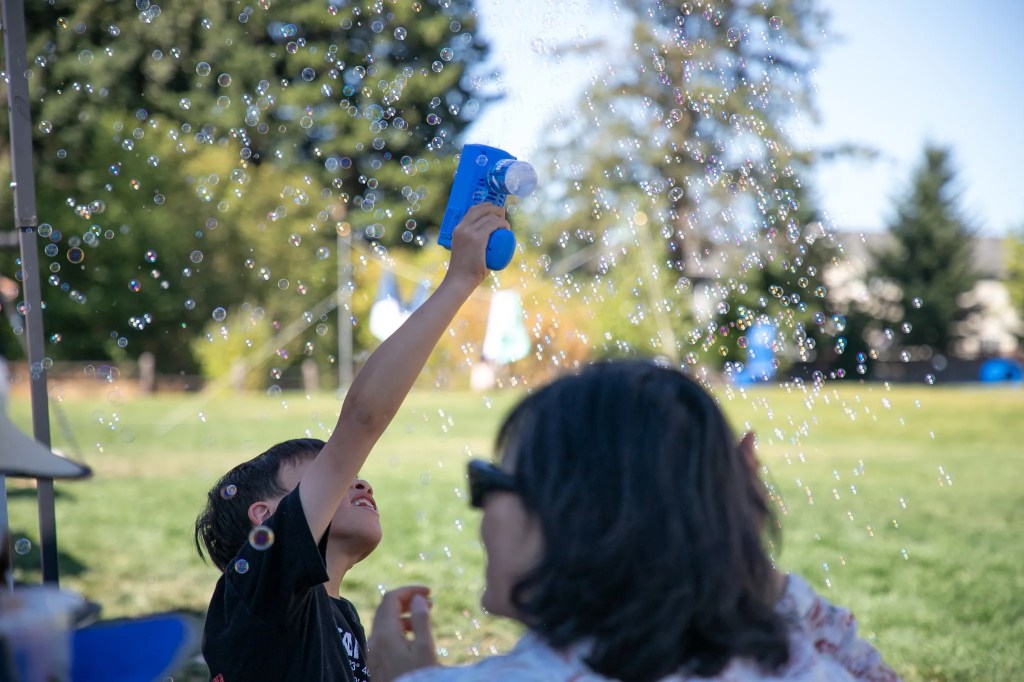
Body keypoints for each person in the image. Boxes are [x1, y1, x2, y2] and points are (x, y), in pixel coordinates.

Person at [368, 360, 901, 682]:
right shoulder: (792, 659)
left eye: (488, 484)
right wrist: (720, 521)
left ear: (575, 518)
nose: (480, 513)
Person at [193, 203, 507, 682]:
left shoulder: (341, 619)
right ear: (267, 519)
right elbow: (361, 420)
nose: (358, 482)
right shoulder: (258, 586)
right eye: (329, 474)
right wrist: (459, 280)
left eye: (352, 475)